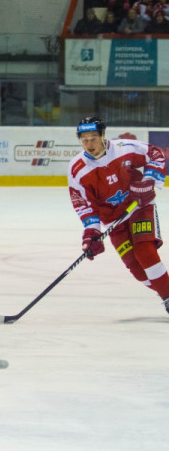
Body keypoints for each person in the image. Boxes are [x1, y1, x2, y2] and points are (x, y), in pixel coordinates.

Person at [68, 117, 169, 314]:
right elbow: (83, 203)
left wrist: (148, 181)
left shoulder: (124, 148)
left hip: (138, 206)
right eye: (85, 139)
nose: (89, 144)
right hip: (114, 219)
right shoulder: (76, 168)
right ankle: (166, 291)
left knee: (145, 252)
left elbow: (155, 155)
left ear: (103, 136)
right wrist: (92, 232)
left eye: (94, 138)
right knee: (137, 270)